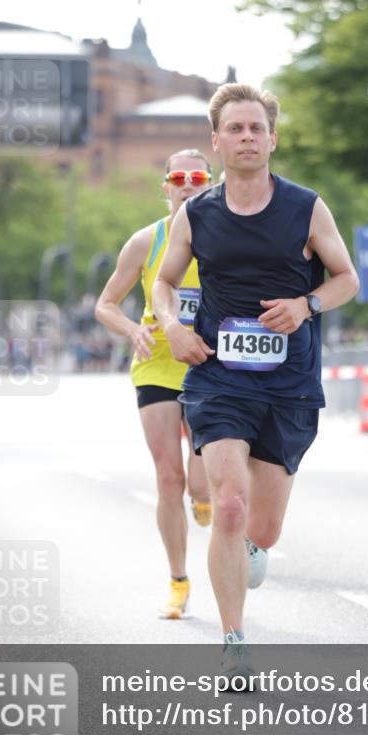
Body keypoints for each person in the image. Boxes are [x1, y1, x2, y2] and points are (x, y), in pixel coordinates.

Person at [152, 84, 359, 660]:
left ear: (272, 139)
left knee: (262, 530)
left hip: (289, 382)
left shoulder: (305, 207)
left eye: (256, 128)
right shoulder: (196, 213)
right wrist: (172, 325)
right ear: (217, 141)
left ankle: (250, 549)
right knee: (229, 505)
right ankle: (233, 641)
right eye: (235, 129)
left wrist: (306, 305)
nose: (247, 137)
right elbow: (164, 281)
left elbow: (346, 279)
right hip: (219, 378)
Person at [95, 149, 215, 619]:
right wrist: (132, 330)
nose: (187, 184)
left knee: (201, 482)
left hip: (209, 361)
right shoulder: (146, 241)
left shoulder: (228, 236)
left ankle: (204, 497)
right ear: (165, 186)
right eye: (178, 177)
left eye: (197, 177)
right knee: (168, 476)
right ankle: (178, 580)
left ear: (211, 184)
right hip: (157, 362)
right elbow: (106, 303)